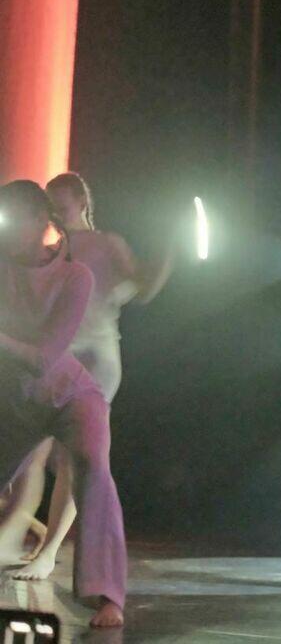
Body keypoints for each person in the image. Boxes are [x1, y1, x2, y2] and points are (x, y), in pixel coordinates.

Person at [0, 172, 172, 579]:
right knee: (31, 454)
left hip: (92, 358)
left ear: (81, 202)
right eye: (50, 206)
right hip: (50, 357)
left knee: (76, 457)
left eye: (61, 205)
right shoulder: (35, 250)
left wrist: (170, 248)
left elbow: (143, 287)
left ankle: (49, 551)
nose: (56, 213)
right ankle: (11, 533)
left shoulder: (105, 244)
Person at [0, 180, 126, 627]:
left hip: (72, 396)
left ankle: (107, 596)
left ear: (42, 221)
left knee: (91, 463)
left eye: (16, 220)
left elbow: (43, 358)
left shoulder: (76, 276)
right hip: (15, 403)